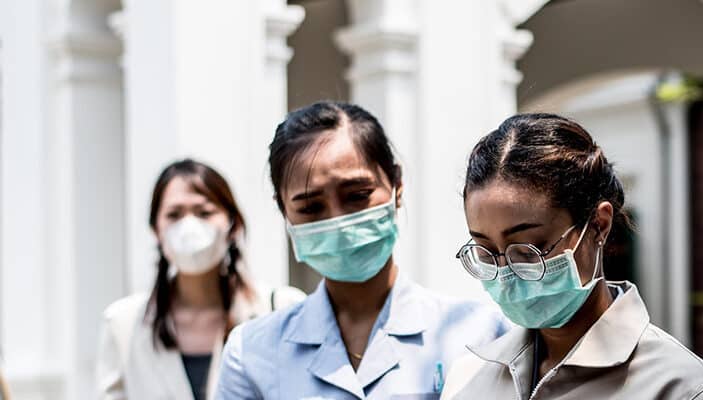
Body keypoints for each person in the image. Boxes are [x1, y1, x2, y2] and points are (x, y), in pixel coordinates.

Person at [216, 101, 510, 399]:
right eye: (311, 207)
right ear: (284, 212)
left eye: (357, 195)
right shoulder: (252, 352)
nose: (339, 221)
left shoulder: (479, 334)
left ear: (396, 185)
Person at [440, 113, 703, 399]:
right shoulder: (470, 376)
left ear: (598, 225)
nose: (507, 276)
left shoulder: (682, 388)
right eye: (488, 253)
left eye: (529, 249)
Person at [96, 159, 305, 400]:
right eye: (174, 215)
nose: (189, 226)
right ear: (156, 230)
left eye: (204, 213)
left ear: (233, 225)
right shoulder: (123, 324)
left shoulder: (281, 309)